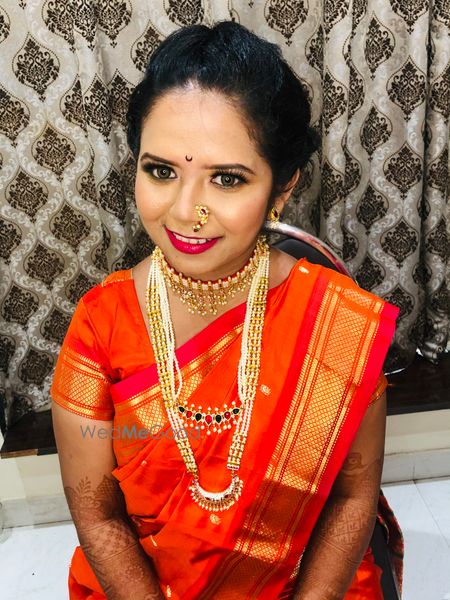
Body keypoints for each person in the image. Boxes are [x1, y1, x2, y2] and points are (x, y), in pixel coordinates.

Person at [51, 21, 403, 600]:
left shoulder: (339, 324)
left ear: (282, 188)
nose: (185, 210)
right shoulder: (99, 326)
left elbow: (351, 499)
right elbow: (98, 517)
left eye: (227, 179)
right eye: (161, 171)